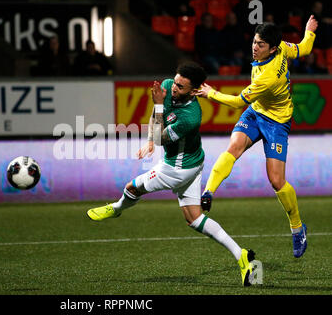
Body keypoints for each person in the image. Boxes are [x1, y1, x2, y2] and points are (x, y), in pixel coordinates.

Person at [87, 62, 257, 287]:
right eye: (175, 82)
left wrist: (157, 109)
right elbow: (154, 123)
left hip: (177, 170)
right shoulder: (167, 86)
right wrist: (149, 138)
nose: (174, 88)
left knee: (131, 188)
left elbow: (160, 136)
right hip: (194, 162)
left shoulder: (191, 117)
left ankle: (117, 209)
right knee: (194, 219)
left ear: (194, 91)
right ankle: (241, 255)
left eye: (181, 86)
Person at [195, 16, 318, 259]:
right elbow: (304, 48)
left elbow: (236, 103)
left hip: (277, 122)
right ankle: (208, 191)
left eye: (260, 45)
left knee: (276, 181)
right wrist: (309, 32)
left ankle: (297, 227)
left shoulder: (267, 76)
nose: (254, 47)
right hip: (256, 113)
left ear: (272, 48)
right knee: (234, 147)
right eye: (254, 41)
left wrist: (211, 93)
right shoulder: (281, 46)